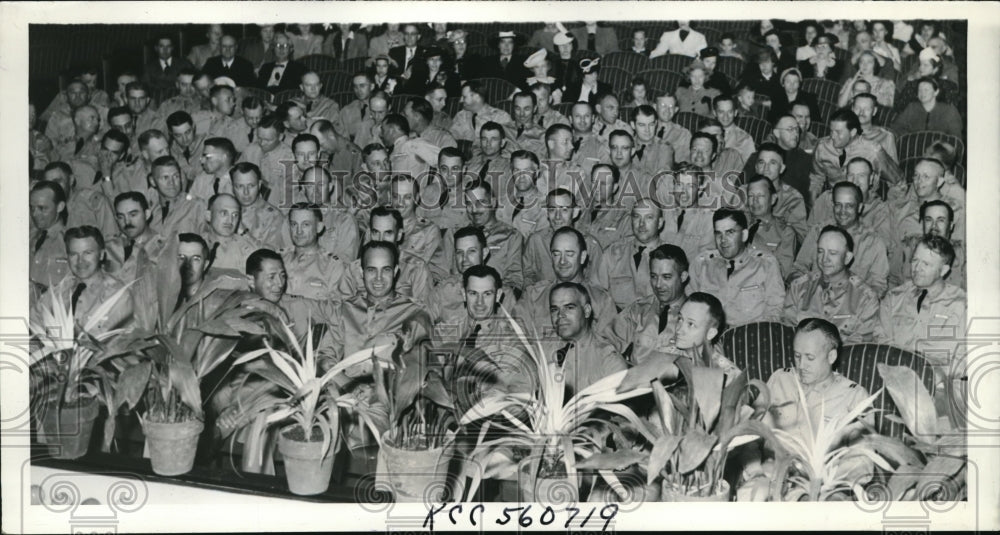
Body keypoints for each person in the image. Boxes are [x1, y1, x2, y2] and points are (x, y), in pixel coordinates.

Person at [739, 318, 874, 500]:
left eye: (810, 358)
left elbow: (863, 463)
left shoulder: (854, 396)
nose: (801, 365)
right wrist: (755, 471)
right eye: (797, 356)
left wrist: (819, 479)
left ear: (831, 357)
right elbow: (750, 435)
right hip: (768, 477)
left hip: (820, 489)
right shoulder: (780, 379)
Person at [324, 240, 433, 386]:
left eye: (386, 270)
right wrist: (351, 389)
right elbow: (324, 358)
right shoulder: (344, 310)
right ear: (362, 272)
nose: (378, 278)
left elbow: (423, 367)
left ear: (395, 272)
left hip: (392, 398)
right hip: (346, 394)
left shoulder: (415, 313)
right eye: (371, 270)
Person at [876, 235, 966, 376]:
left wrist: (937, 373)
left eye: (926, 264)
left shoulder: (961, 305)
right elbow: (881, 342)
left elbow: (964, 357)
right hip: (896, 378)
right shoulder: (894, 298)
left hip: (941, 384)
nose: (917, 268)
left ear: (943, 270)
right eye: (915, 260)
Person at [688, 208, 785, 326]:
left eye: (730, 232)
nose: (723, 240)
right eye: (718, 233)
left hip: (749, 338)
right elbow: (689, 308)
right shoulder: (702, 264)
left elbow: (775, 311)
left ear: (744, 235)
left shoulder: (765, 265)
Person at [783, 226, 880, 343]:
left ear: (847, 258)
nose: (824, 259)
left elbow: (861, 347)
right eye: (820, 251)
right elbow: (787, 333)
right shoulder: (798, 288)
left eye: (832, 253)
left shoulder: (865, 298)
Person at [791, 182, 890, 297]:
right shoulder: (817, 231)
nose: (842, 211)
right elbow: (798, 269)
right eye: (838, 205)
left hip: (854, 306)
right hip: (815, 300)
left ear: (859, 207)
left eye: (849, 206)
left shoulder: (873, 242)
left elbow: (879, 287)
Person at [515, 226, 616, 337]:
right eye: (557, 254)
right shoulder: (533, 297)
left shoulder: (601, 300)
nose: (562, 261)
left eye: (569, 254)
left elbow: (608, 347)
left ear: (582, 257)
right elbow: (514, 338)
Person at [34, 225, 133, 334]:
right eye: (74, 254)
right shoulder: (59, 292)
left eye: (87, 253)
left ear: (101, 255)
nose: (80, 261)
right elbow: (33, 324)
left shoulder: (117, 296)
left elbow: (120, 344)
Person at [543, 282, 628, 397]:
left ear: (587, 311)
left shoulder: (607, 360)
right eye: (554, 309)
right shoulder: (544, 350)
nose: (560, 315)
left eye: (569, 308)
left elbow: (622, 408)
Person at [607, 244, 690, 360]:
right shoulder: (638, 309)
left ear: (683, 276)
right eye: (654, 276)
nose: (658, 285)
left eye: (666, 277)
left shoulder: (695, 316)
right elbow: (607, 344)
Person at [443, 179, 525, 296]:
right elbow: (444, 274)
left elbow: (515, 280)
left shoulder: (511, 236)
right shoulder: (453, 234)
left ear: (493, 202)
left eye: (480, 202)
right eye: (469, 204)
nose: (474, 210)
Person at [338, 206, 432, 303]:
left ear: (399, 235)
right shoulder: (354, 269)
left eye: (388, 233)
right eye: (376, 232)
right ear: (370, 233)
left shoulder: (416, 269)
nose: (381, 239)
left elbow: (424, 311)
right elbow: (342, 309)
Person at [808, 109, 901, 203]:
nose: (832, 136)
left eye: (838, 132)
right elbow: (816, 179)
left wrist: (891, 208)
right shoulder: (822, 147)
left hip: (865, 206)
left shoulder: (873, 151)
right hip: (834, 204)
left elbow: (898, 181)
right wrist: (813, 208)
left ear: (852, 132)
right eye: (831, 131)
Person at [593, 197, 666, 310]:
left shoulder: (671, 257)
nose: (641, 224)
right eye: (637, 217)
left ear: (660, 223)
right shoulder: (613, 253)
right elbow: (596, 294)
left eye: (649, 218)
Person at [278, 165, 361, 263]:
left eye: (321, 185)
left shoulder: (344, 220)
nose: (316, 191)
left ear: (330, 187)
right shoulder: (291, 221)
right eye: (310, 186)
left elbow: (345, 262)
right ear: (303, 189)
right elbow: (284, 258)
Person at [522, 188, 604, 287]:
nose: (557, 217)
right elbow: (527, 277)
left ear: (575, 212)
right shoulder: (536, 241)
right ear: (547, 212)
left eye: (564, 210)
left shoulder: (590, 244)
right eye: (552, 210)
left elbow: (597, 285)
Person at [808, 156, 893, 251]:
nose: (855, 181)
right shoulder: (827, 199)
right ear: (845, 176)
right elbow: (808, 237)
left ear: (871, 178)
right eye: (851, 175)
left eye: (861, 176)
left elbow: (883, 248)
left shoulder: (880, 211)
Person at [278, 202, 349, 301]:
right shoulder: (277, 259)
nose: (299, 231)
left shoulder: (332, 266)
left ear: (319, 227)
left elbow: (339, 309)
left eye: (306, 224)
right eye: (294, 224)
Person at [893, 199, 966, 291]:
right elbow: (892, 282)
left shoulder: (962, 256)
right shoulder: (906, 249)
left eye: (940, 220)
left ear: (951, 225)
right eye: (928, 220)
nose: (934, 226)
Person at [41, 162, 118, 242]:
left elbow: (112, 240)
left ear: (71, 180)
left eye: (57, 182)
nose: (53, 189)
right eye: (49, 184)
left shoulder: (92, 202)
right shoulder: (46, 211)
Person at [747, 114, 811, 205]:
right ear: (777, 133)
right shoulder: (758, 157)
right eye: (790, 129)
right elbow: (741, 186)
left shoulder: (806, 160)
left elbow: (808, 196)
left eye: (796, 129)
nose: (795, 133)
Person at [104, 192, 167, 284]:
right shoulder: (108, 246)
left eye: (133, 215)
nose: (127, 222)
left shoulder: (163, 248)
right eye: (121, 217)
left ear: (147, 214)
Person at [660, 166, 717, 264]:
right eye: (679, 185)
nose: (683, 192)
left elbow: (704, 260)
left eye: (690, 186)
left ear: (699, 189)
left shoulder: (708, 219)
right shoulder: (663, 214)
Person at [744, 174, 797, 278]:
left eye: (760, 196)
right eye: (751, 196)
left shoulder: (785, 232)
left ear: (773, 199)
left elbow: (782, 273)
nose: (755, 201)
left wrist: (758, 243)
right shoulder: (738, 225)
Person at [146, 156, 205, 237]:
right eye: (165, 177)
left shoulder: (196, 206)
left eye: (176, 176)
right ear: (152, 181)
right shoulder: (151, 212)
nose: (172, 183)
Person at [200, 193, 261, 272]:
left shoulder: (248, 251)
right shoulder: (196, 246)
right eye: (224, 213)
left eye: (235, 215)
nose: (230, 220)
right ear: (208, 215)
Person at [230, 162, 283, 249]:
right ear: (232, 187)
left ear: (259, 185)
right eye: (240, 186)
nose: (246, 192)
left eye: (251, 186)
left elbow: (271, 256)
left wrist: (243, 232)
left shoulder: (274, 216)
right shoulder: (225, 210)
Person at [29, 181, 71, 289]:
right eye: (32, 208)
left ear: (60, 207)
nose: (34, 214)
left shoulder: (70, 242)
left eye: (42, 208)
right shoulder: (28, 237)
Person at [890, 77, 963, 138]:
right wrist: (910, 137)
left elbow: (956, 138)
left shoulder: (949, 111)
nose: (922, 93)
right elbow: (896, 127)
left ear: (936, 92)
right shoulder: (911, 107)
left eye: (926, 90)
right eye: (920, 90)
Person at [498, 150, 547, 239]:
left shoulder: (544, 207)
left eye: (527, 170)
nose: (521, 176)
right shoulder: (502, 202)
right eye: (517, 170)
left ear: (536, 173)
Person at [450, 80, 517, 144]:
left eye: (464, 97)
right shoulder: (460, 116)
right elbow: (450, 139)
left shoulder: (500, 117)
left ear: (476, 97)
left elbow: (510, 144)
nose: (460, 101)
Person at [581, 164, 629, 251]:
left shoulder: (623, 219)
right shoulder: (580, 214)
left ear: (614, 188)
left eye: (603, 183)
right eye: (594, 182)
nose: (597, 188)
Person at [379, 113, 441, 179]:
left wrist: (435, 185)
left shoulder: (412, 145)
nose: (381, 135)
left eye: (383, 130)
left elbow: (445, 159)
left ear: (392, 130)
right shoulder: (394, 151)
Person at [630, 105, 676, 181]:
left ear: (656, 123)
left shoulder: (665, 148)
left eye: (651, 124)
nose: (647, 130)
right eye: (642, 125)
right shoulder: (625, 145)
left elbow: (662, 180)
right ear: (633, 125)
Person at [850, 93, 898, 163]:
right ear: (852, 109)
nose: (861, 112)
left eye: (866, 109)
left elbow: (893, 169)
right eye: (857, 108)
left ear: (874, 111)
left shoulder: (886, 136)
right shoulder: (842, 133)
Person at [165, 111, 206, 182]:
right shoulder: (168, 151)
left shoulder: (206, 144)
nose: (185, 139)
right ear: (171, 134)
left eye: (187, 132)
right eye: (178, 135)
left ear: (193, 127)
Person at [713, 94, 755, 161]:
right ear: (714, 113)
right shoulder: (706, 132)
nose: (725, 116)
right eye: (721, 112)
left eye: (729, 112)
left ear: (735, 113)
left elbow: (749, 166)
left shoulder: (745, 139)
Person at [654, 94, 693, 164]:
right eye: (663, 105)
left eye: (671, 106)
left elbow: (687, 163)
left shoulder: (684, 134)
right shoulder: (645, 130)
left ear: (676, 109)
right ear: (655, 107)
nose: (667, 110)